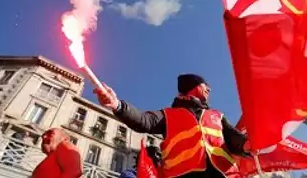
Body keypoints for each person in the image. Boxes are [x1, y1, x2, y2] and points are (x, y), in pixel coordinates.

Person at [94, 73, 250, 178]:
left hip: (223, 175)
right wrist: (117, 105)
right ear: (195, 87)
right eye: (205, 85)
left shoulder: (217, 115)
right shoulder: (168, 115)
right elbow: (143, 120)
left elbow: (235, 138)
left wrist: (248, 143)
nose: (210, 89)